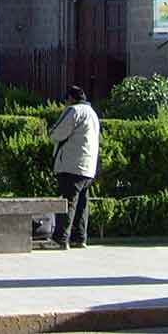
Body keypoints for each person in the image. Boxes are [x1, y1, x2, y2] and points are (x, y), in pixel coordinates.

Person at [48, 84, 101, 249]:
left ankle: (61, 239)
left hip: (71, 164)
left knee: (67, 202)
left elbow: (58, 133)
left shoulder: (74, 111)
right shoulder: (93, 113)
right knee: (82, 204)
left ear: (71, 98)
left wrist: (50, 132)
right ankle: (79, 238)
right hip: (88, 166)